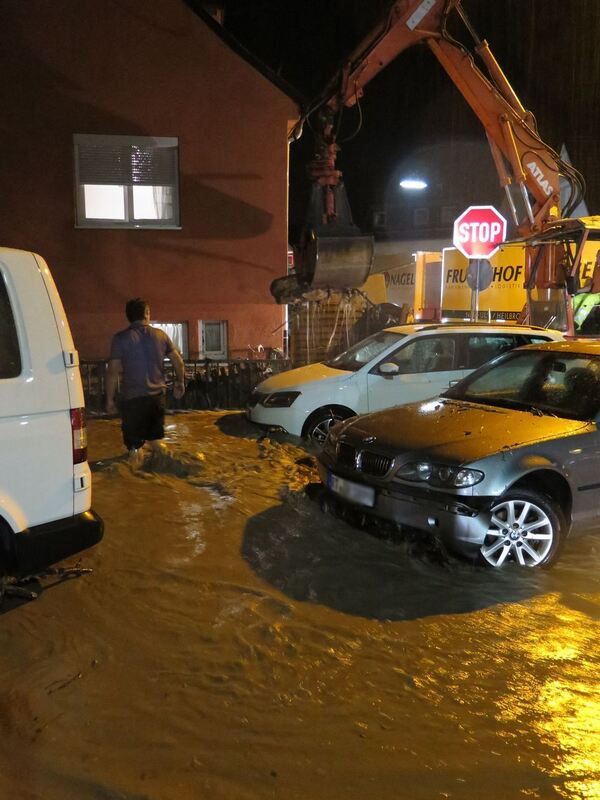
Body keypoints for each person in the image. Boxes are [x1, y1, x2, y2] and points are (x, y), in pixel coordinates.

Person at [105, 298, 185, 463]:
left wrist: (109, 400)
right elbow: (178, 361)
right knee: (155, 441)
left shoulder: (120, 339)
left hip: (133, 400)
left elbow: (112, 371)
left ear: (128, 316)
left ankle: (136, 480)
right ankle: (174, 465)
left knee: (134, 446)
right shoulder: (161, 336)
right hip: (157, 398)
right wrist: (180, 382)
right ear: (147, 314)